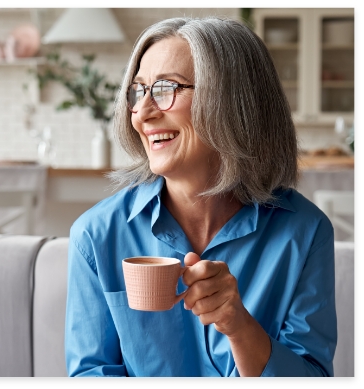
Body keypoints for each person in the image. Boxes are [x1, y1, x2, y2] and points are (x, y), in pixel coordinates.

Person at [65, 17, 337, 377]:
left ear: (234, 102)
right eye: (137, 91)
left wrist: (240, 327)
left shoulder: (305, 233)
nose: (142, 113)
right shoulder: (96, 236)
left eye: (166, 89)